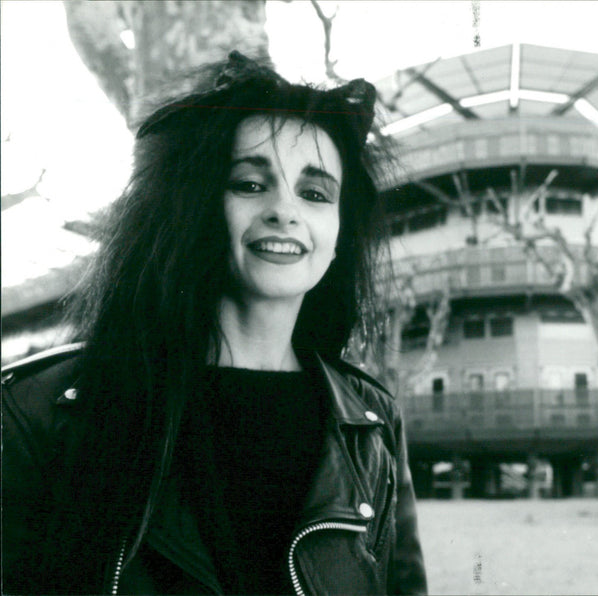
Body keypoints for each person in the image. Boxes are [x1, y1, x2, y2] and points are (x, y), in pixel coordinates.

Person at [2, 51, 427, 595]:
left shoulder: (371, 421)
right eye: (250, 184)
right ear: (196, 202)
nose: (285, 210)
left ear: (340, 229)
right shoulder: (40, 408)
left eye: (316, 193)